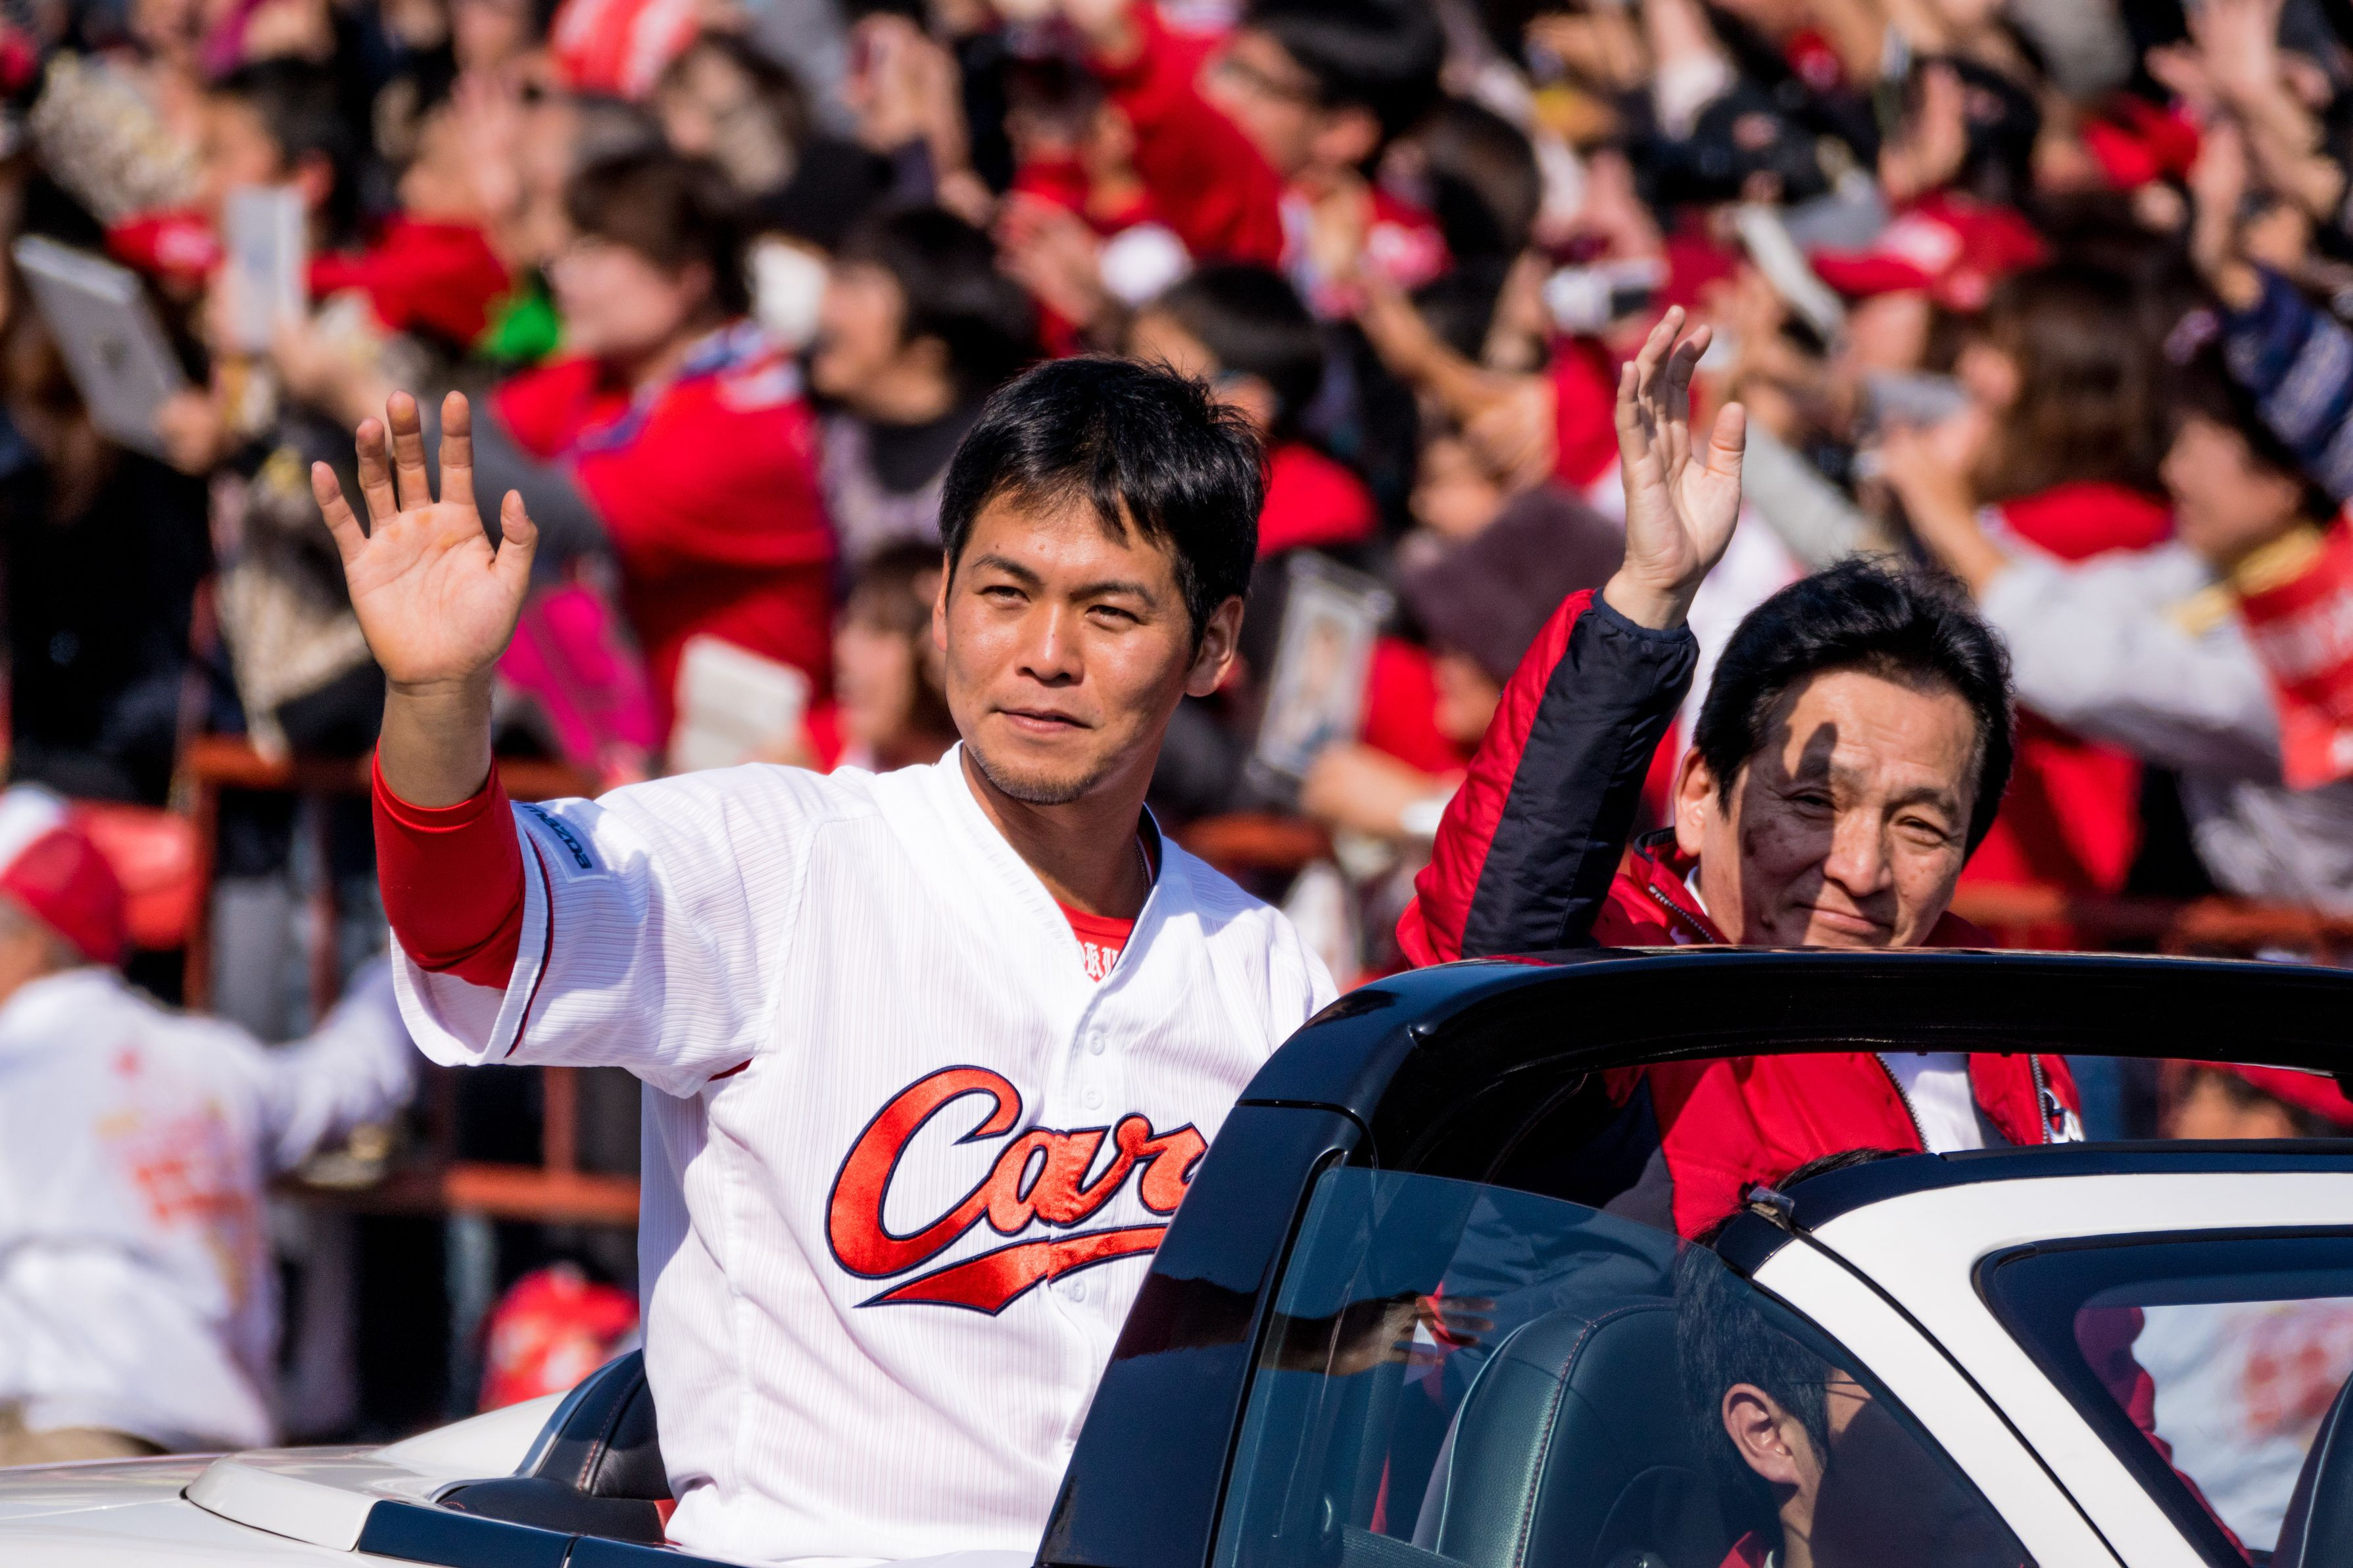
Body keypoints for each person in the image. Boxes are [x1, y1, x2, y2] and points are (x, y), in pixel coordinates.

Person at [310, 356, 1334, 1561]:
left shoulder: (1266, 974)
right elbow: (475, 934)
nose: (1044, 652)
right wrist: (436, 698)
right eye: (1003, 592)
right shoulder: (785, 856)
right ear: (940, 602)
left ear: (1212, 643)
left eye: (1110, 612)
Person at [1402, 308, 2082, 1239]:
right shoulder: (1630, 990)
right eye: (1812, 802)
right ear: (1698, 795)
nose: (1860, 869)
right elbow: (1489, 955)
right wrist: (1645, 601)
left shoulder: (2003, 1030)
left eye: (1921, 826)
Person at [0, 786, 414, 1463]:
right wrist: (416, 958)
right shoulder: (213, 1063)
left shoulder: (15, 1063)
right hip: (205, 1467)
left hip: (54, 1446)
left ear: (31, 944)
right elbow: (352, 1076)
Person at [485, 146, 834, 733]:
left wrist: (354, 395)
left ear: (686, 276)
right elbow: (475, 426)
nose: (563, 277)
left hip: (756, 757)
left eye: (595, 253)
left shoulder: (748, 411)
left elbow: (564, 517)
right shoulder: (615, 375)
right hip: (651, 747)